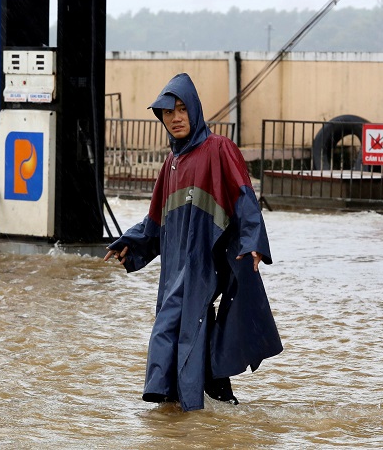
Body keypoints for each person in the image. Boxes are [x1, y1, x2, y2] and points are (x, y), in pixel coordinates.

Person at [104, 72, 282, 412]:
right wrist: (131, 242)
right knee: (195, 329)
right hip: (175, 269)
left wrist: (254, 241)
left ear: (195, 110)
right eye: (168, 113)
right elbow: (155, 222)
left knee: (171, 326)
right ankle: (208, 412)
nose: (176, 118)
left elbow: (245, 197)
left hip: (205, 264)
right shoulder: (170, 164)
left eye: (182, 109)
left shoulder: (219, 149)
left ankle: (173, 403)